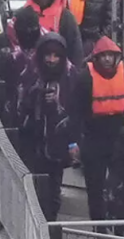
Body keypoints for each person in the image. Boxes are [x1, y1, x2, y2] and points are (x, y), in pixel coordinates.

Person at [73, 36, 124, 229]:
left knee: (121, 185)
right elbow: (76, 112)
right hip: (94, 137)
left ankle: (120, 227)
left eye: (111, 55)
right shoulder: (85, 78)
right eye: (104, 56)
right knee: (95, 188)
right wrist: (75, 142)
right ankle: (99, 229)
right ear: (96, 58)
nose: (108, 59)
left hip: (119, 136)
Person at [16, 33, 79, 221]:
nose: (51, 60)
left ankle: (51, 230)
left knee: (53, 192)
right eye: (48, 55)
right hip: (34, 141)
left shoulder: (70, 75)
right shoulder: (31, 73)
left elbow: (76, 111)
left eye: (56, 56)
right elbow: (21, 106)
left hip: (57, 143)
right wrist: (37, 96)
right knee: (35, 190)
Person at [0, 6, 44, 128]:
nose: (29, 32)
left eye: (33, 29)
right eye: (25, 29)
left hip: (36, 99)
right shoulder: (4, 44)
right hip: (12, 97)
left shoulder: (45, 44)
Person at [24, 0, 84, 66]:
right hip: (31, 65)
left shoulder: (66, 17)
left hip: (59, 65)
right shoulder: (24, 14)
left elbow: (75, 47)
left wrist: (76, 71)